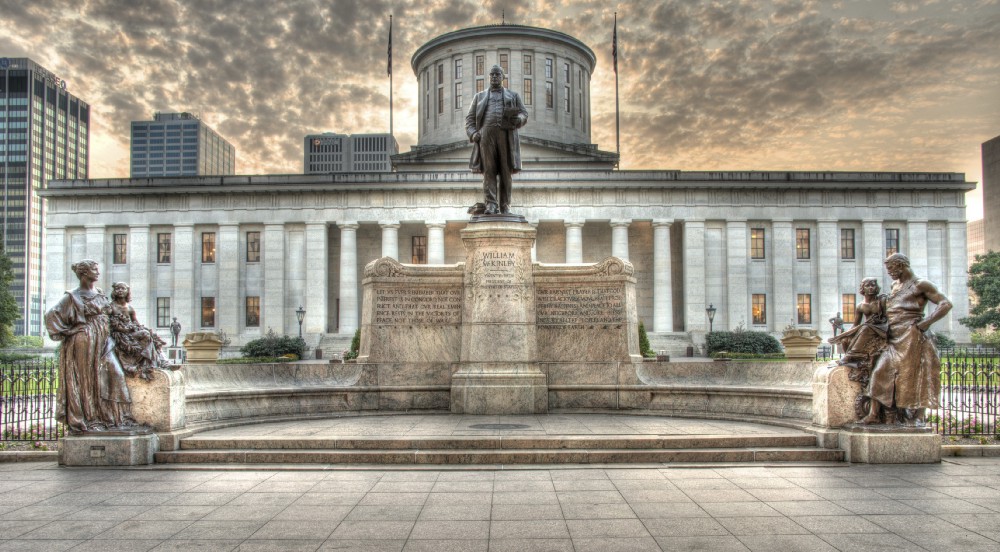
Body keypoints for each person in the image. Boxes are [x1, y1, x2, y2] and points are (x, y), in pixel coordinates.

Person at [44, 260, 138, 434]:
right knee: (86, 379)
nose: (98, 272)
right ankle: (90, 418)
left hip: (104, 340)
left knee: (114, 373)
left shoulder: (100, 293)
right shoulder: (72, 296)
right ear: (84, 273)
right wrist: (69, 330)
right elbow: (51, 315)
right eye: (94, 270)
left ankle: (114, 417)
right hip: (84, 339)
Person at [863, 253, 952, 425]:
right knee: (880, 371)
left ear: (901, 265)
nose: (889, 273)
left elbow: (945, 303)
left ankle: (918, 416)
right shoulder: (895, 285)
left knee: (915, 376)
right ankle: (874, 413)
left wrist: (926, 322)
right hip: (894, 335)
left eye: (891, 269)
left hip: (913, 336)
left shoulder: (921, 284)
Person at [465, 64, 528, 215]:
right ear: (489, 77)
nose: (494, 77)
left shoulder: (513, 96)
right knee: (489, 171)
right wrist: (473, 134)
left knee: (506, 172)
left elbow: (524, 113)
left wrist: (518, 120)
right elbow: (470, 119)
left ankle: (505, 205)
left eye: (497, 75)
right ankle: (491, 204)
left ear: (502, 78)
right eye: (492, 74)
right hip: (486, 136)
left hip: (506, 136)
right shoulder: (479, 97)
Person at [829, 278, 888, 380]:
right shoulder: (860, 306)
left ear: (876, 287)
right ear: (863, 288)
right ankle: (854, 360)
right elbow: (855, 325)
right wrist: (845, 334)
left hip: (882, 328)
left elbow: (889, 317)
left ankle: (850, 356)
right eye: (867, 285)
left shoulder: (881, 300)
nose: (870, 288)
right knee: (845, 339)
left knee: (865, 327)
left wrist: (880, 321)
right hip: (868, 328)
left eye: (873, 285)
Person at [109, 282, 168, 379]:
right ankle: (158, 362)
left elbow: (137, 324)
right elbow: (110, 324)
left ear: (127, 291)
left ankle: (161, 361)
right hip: (119, 335)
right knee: (146, 334)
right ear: (114, 291)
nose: (120, 291)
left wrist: (140, 329)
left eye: (122, 288)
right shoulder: (111, 306)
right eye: (117, 288)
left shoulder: (129, 308)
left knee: (152, 337)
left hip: (130, 333)